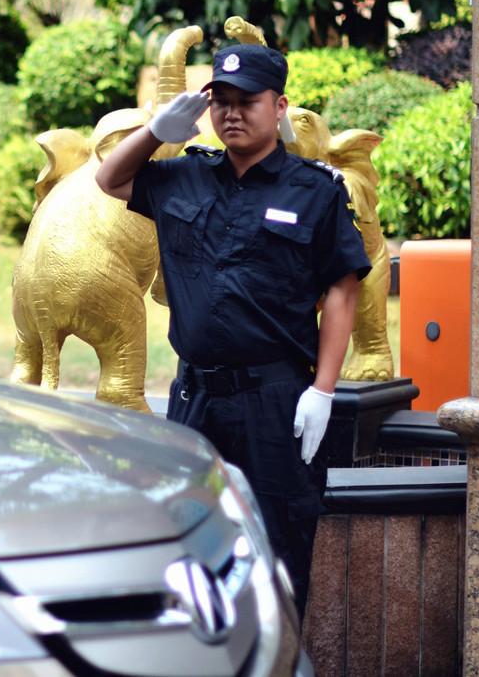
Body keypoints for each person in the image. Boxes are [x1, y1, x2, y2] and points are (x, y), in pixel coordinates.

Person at [94, 43, 370, 619]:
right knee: (193, 548)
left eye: (248, 102)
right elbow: (109, 180)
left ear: (280, 107)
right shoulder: (183, 176)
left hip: (276, 401)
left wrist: (323, 389)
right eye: (220, 101)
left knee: (279, 551)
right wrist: (153, 130)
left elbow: (344, 288)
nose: (232, 114)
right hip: (195, 399)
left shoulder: (314, 190)